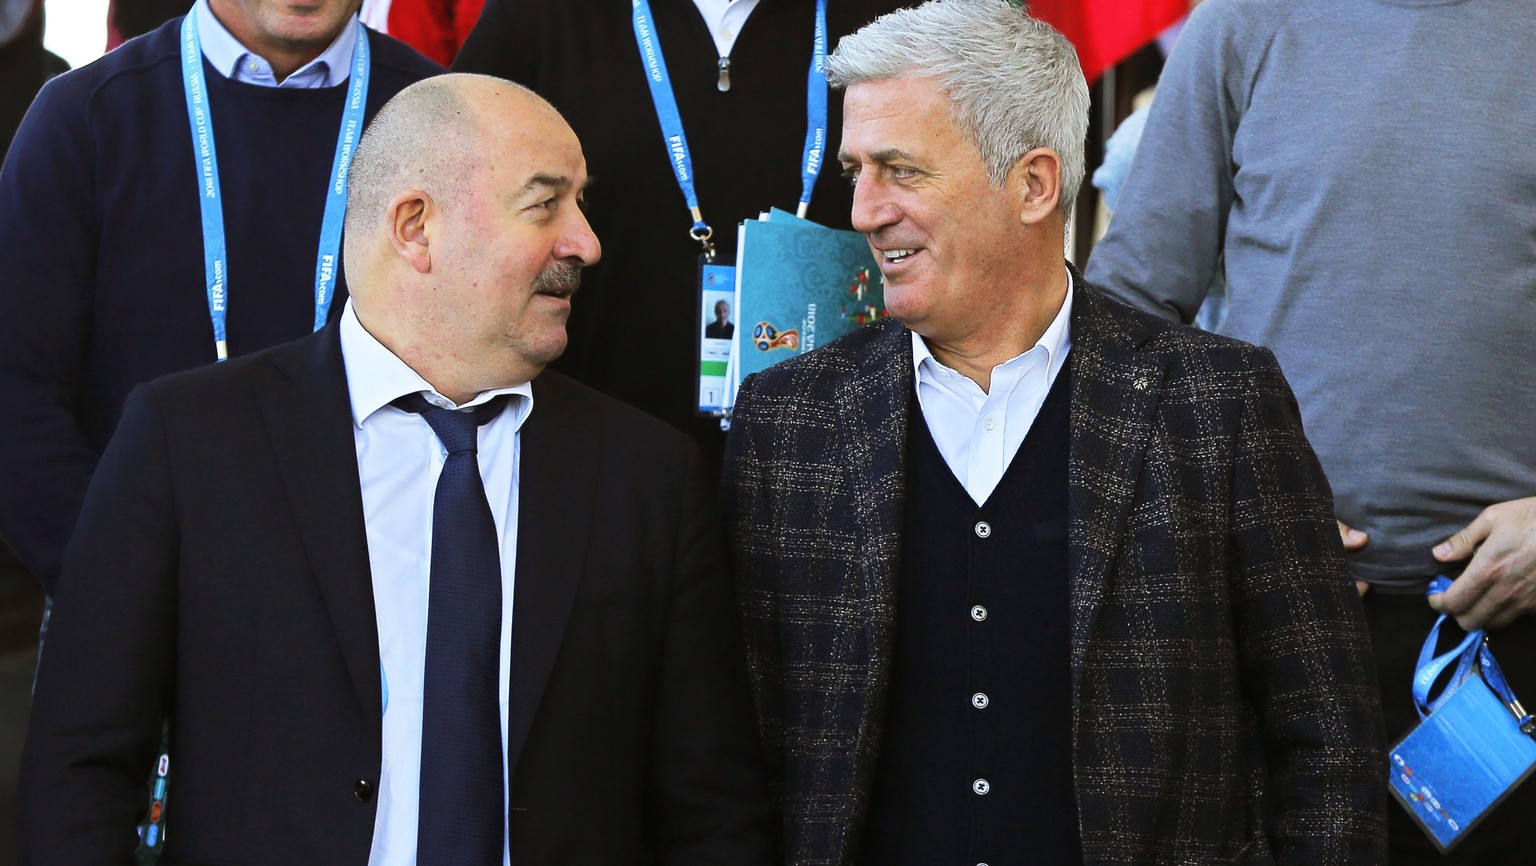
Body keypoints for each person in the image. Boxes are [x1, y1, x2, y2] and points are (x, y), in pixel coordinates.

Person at [19, 74, 771, 865]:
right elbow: (79, 774)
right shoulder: (190, 443)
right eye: (546, 203)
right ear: (416, 226)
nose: (586, 242)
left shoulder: (645, 477)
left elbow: (711, 810)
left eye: (579, 204)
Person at [722, 2, 1387, 863]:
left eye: (900, 170)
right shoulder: (789, 423)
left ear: (1034, 184)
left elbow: (1328, 741)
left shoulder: (1219, 403)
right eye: (856, 171)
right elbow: (742, 752)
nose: (863, 211)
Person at [1082, 0, 1536, 861]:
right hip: (1265, 628)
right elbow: (1123, 326)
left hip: (1514, 650)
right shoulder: (1245, 22)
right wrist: (1219, 515)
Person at [0, 0, 441, 600]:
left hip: (381, 604)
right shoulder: (87, 114)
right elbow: (16, 389)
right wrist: (115, 580)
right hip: (128, 599)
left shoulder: (443, 122)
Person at [452, 0, 904, 467]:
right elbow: (458, 194)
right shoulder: (541, 17)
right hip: (593, 450)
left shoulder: (893, 15)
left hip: (837, 452)